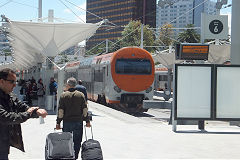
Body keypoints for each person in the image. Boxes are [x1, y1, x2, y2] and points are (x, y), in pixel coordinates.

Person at [0, 68, 48, 160]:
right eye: (11, 82)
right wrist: (28, 114)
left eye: (15, 81)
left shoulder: (10, 95)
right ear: (2, 81)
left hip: (3, 144)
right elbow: (6, 117)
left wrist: (36, 112)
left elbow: (22, 106)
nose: (15, 85)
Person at [56, 77, 90, 159]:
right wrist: (87, 121)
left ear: (68, 85)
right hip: (78, 122)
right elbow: (85, 110)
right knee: (77, 141)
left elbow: (61, 111)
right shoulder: (81, 95)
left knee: (66, 141)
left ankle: (68, 157)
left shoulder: (63, 95)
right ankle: (75, 157)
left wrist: (58, 123)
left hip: (67, 122)